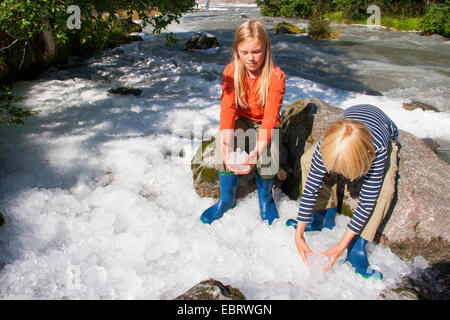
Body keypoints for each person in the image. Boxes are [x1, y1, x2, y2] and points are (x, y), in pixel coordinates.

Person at [286, 104, 399, 280]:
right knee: (308, 160)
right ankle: (322, 214)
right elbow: (311, 189)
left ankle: (357, 246)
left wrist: (341, 245)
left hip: (380, 134)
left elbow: (367, 202)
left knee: (384, 192)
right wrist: (299, 233)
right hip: (342, 135)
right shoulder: (327, 143)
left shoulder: (378, 150)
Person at [200, 20, 286, 226]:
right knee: (223, 145)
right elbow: (228, 109)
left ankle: (265, 199)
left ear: (266, 48)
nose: (251, 58)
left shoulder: (276, 76)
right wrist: (227, 146)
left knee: (270, 152)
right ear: (237, 50)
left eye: (257, 51)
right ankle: (226, 199)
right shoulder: (231, 71)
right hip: (240, 120)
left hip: (264, 123)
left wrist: (256, 152)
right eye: (244, 52)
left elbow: (270, 118)